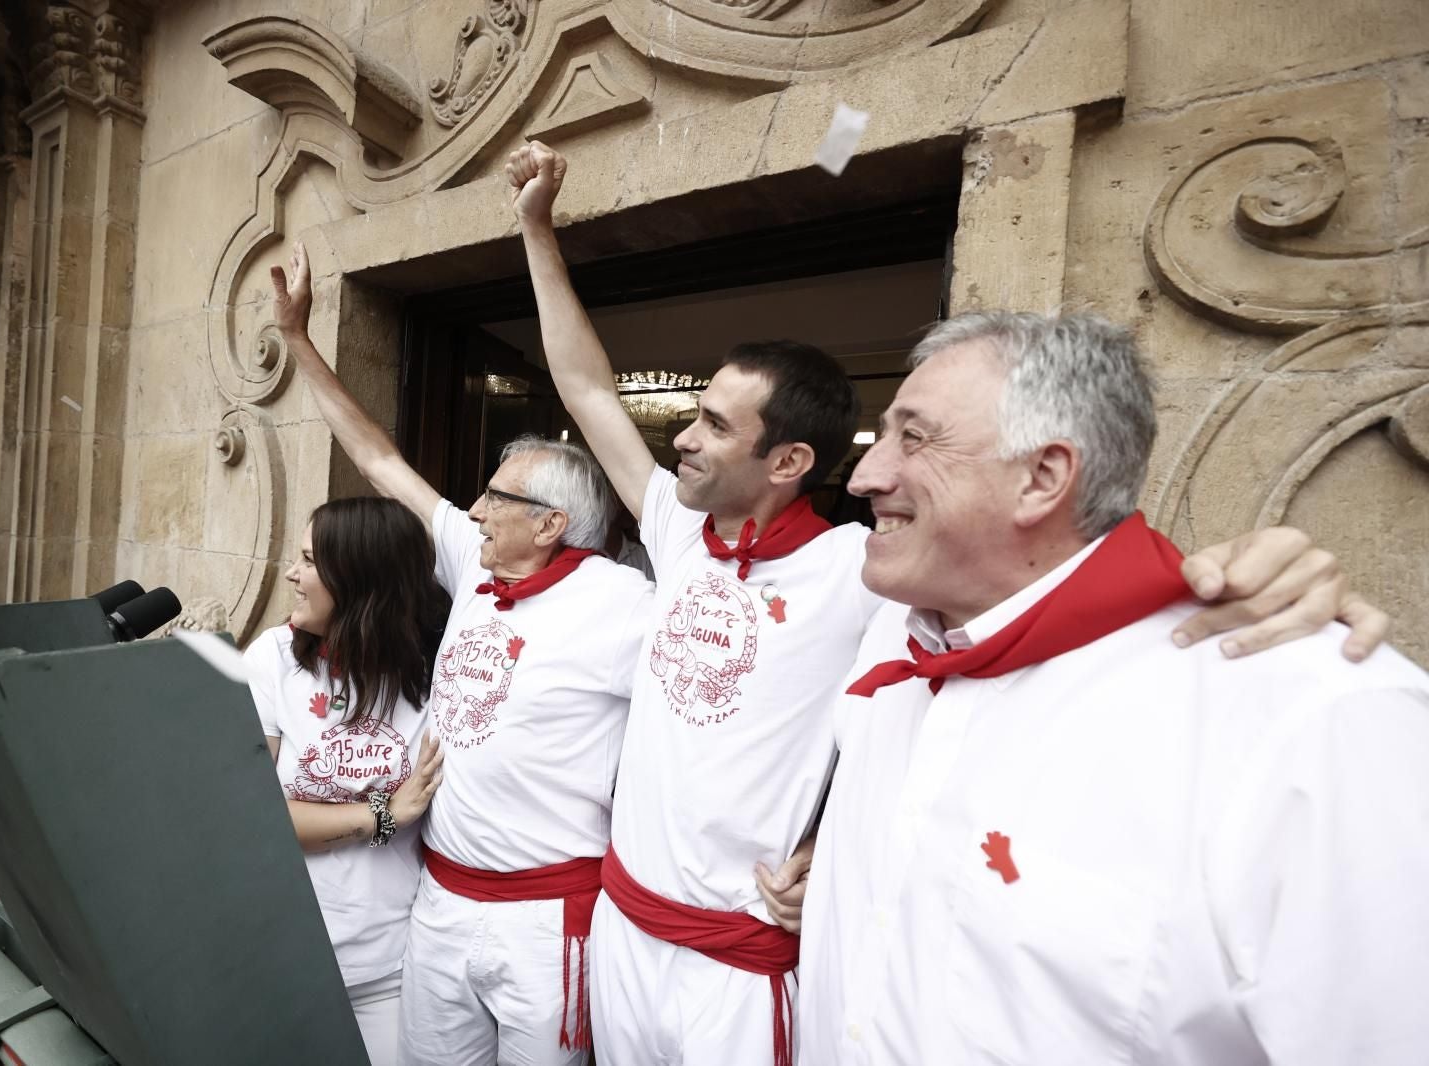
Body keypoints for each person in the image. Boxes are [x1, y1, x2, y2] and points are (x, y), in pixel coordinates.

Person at [504, 139, 1392, 1066]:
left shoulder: (866, 573)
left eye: (914, 438)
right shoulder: (728, 554)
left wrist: (1230, 576)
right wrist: (536, 230)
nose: (872, 475)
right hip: (626, 931)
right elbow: (584, 386)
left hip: (734, 973)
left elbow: (1058, 578)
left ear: (787, 460)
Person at [797, 311, 1429, 1065]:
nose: (865, 475)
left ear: (1042, 477)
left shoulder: (1313, 721)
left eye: (915, 437)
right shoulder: (893, 641)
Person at [270, 245, 655, 1066]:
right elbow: (378, 458)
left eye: (497, 496)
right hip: (439, 902)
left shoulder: (628, 605)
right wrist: (300, 340)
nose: (472, 507)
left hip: (547, 923)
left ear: (551, 523)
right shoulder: (473, 568)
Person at [244, 496, 449, 1065]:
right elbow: (252, 817)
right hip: (279, 952)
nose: (291, 573)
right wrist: (381, 814)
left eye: (309, 560)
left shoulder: (434, 676)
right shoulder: (276, 658)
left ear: (360, 577)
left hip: (390, 965)